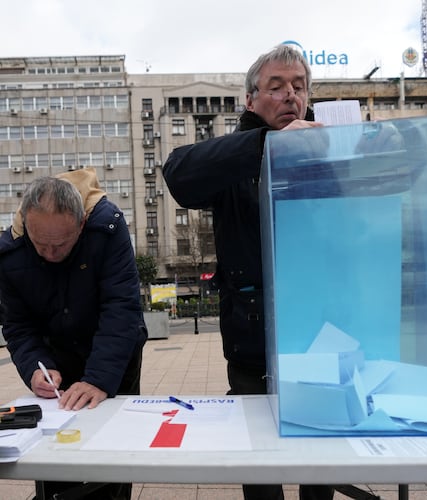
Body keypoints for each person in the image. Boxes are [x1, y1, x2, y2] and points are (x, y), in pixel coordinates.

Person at [164, 44, 334, 500]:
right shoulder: (236, 156)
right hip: (251, 338)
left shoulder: (332, 145)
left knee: (320, 459)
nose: (289, 96)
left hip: (322, 335)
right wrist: (268, 144)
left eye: (298, 87)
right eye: (275, 86)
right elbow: (178, 175)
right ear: (250, 100)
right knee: (258, 462)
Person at [0, 169, 148, 500]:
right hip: (57, 356)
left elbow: (121, 307)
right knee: (57, 454)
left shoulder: (107, 227)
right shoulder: (10, 251)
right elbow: (18, 326)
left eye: (61, 245)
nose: (50, 255)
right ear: (27, 223)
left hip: (114, 355)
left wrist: (99, 378)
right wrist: (36, 368)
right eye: (41, 245)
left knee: (113, 449)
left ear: (81, 225)